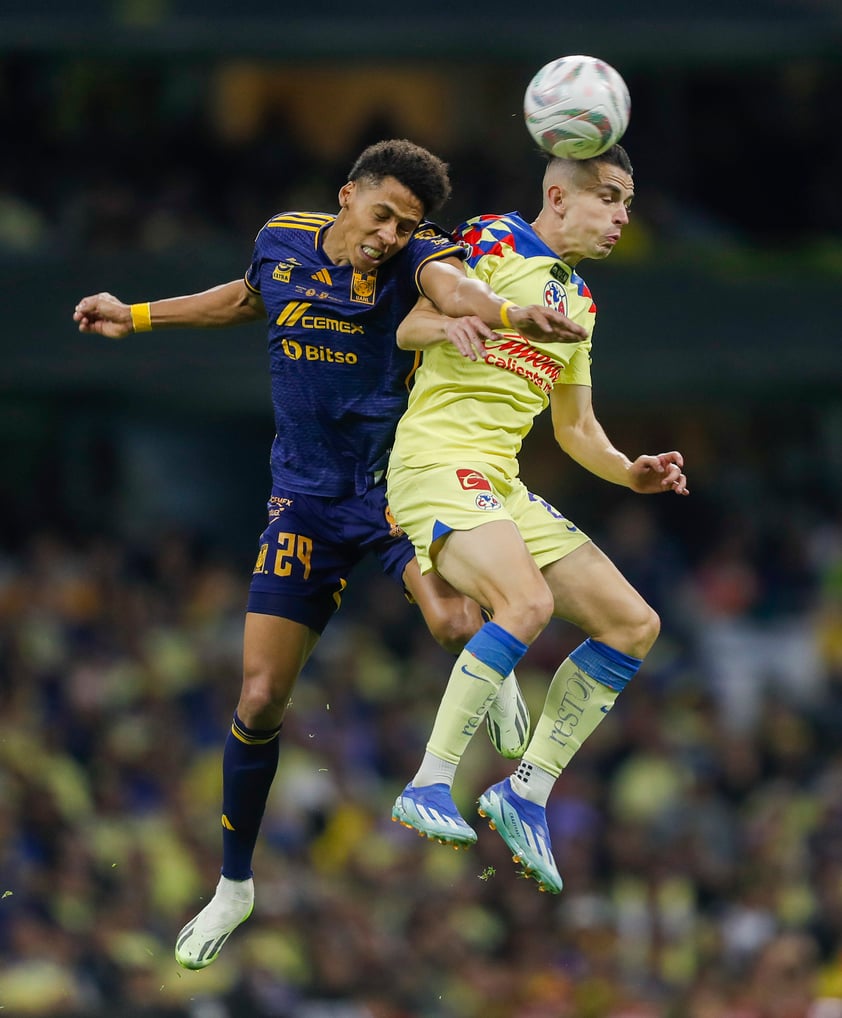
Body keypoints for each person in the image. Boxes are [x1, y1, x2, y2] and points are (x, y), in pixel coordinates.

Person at [72, 139, 587, 967]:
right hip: (304, 505)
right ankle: (235, 886)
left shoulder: (419, 255)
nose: (390, 235)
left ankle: (493, 670)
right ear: (347, 196)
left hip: (390, 496)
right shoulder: (282, 238)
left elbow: (453, 287)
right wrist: (133, 315)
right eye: (381, 214)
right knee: (261, 695)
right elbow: (245, 299)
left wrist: (504, 312)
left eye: (406, 224)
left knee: (458, 620)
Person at [387, 143, 689, 893]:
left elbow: (576, 430)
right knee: (528, 603)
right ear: (558, 198)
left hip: (501, 481)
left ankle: (524, 793)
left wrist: (629, 472)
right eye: (610, 198)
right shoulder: (491, 238)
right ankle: (429, 781)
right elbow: (408, 326)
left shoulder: (580, 303)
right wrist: (453, 325)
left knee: (632, 623)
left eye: (626, 202)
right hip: (434, 460)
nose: (623, 217)